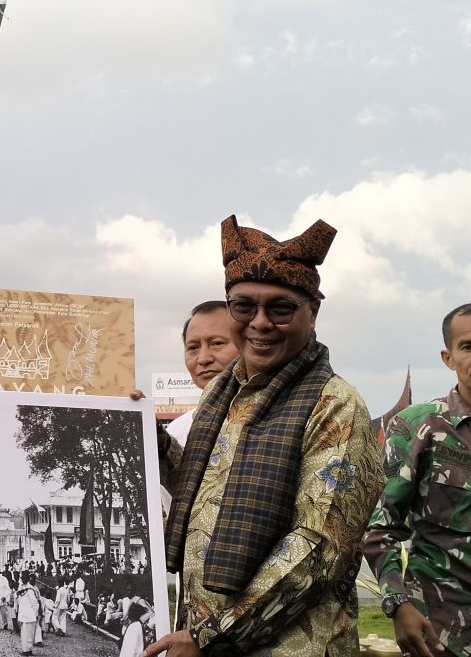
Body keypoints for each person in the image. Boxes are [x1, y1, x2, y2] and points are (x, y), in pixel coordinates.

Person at [147, 218, 383, 657]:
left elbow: (317, 551)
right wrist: (143, 435)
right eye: (244, 306)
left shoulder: (334, 405)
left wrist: (212, 637)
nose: (260, 323)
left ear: (312, 312)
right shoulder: (224, 391)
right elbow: (201, 493)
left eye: (280, 308)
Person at [363, 303, 471, 657]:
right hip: (448, 629)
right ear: (448, 358)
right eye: (468, 347)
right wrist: (399, 605)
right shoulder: (419, 427)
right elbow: (380, 529)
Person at [165, 300, 243, 444]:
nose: (203, 359)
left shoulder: (276, 420)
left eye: (217, 343)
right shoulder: (176, 430)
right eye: (193, 348)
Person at [16, 572, 41, 655]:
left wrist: (35, 614)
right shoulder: (20, 587)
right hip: (23, 614)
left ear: (28, 578)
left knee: (29, 634)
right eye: (22, 578)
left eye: (25, 578)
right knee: (24, 633)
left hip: (30, 615)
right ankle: (25, 650)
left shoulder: (30, 590)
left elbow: (35, 604)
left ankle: (28, 650)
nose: (23, 579)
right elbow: (19, 600)